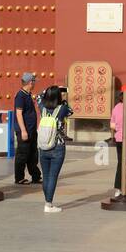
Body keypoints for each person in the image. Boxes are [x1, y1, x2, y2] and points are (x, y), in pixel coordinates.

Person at [36, 84, 74, 213]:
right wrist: (63, 99)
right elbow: (71, 111)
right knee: (53, 176)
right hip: (57, 147)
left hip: (43, 147)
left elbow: (38, 97)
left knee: (46, 176)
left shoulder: (42, 108)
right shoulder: (62, 109)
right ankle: (48, 204)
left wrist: (47, 90)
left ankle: (47, 201)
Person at [13, 72, 41, 185]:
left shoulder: (28, 95)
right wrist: (23, 131)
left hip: (32, 130)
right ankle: (19, 177)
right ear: (30, 82)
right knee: (22, 155)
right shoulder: (20, 95)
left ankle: (35, 176)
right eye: (34, 81)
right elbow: (19, 114)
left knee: (33, 154)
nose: (34, 84)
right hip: (24, 131)